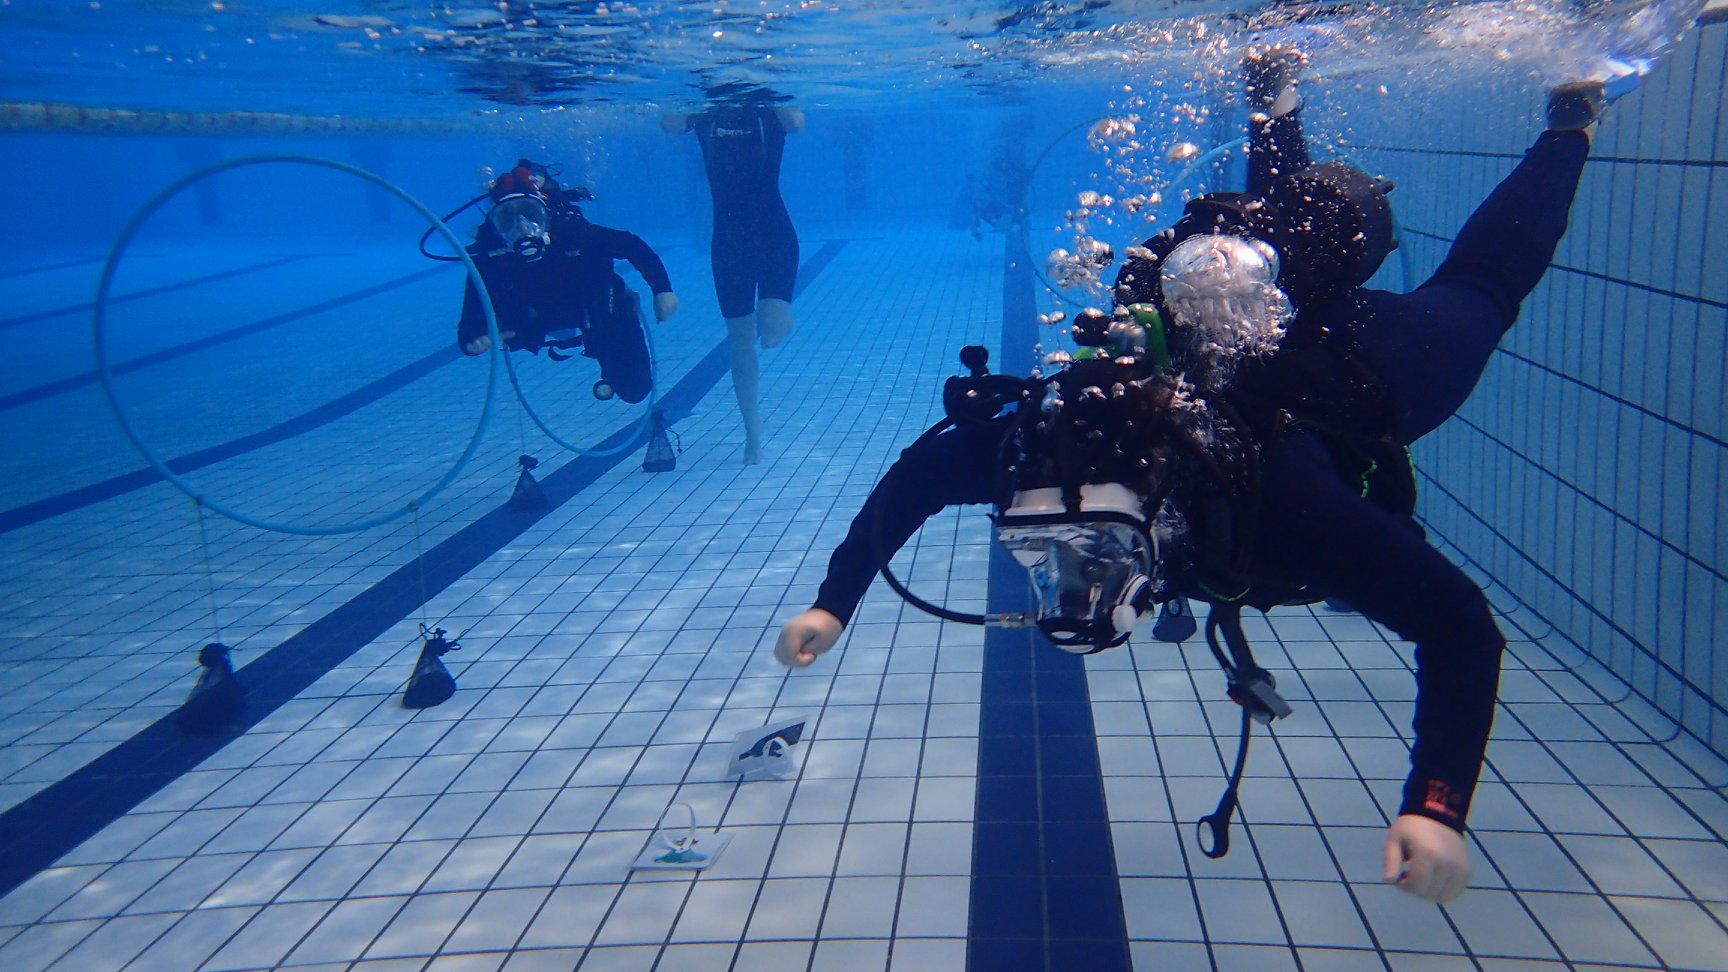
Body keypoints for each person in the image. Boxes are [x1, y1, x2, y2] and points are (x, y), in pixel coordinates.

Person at [772, 48, 1625, 905]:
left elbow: (1460, 626)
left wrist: (1437, 804)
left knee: (1481, 285)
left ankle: (1570, 120)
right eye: (1043, 551)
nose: (1074, 577)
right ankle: (1274, 105)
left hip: (1358, 368)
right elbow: (915, 482)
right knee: (1257, 234)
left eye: (1092, 544)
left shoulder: (1286, 508)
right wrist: (833, 601)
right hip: (1234, 341)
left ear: (1154, 501)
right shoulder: (1039, 453)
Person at [456, 159, 679, 404]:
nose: (522, 227)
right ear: (496, 225)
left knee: (635, 390)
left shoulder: (574, 233)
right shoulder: (491, 260)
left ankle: (624, 305)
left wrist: (662, 290)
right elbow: (470, 325)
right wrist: (476, 341)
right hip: (536, 319)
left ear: (545, 212)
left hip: (597, 314)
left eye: (530, 214)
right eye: (507, 219)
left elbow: (631, 245)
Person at [662, 86, 804, 463]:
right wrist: (698, 110)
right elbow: (668, 123)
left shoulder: (769, 106)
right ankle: (752, 428)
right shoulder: (706, 112)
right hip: (727, 243)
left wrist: (774, 100)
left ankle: (780, 320)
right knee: (739, 336)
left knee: (771, 325)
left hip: (774, 234)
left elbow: (797, 122)